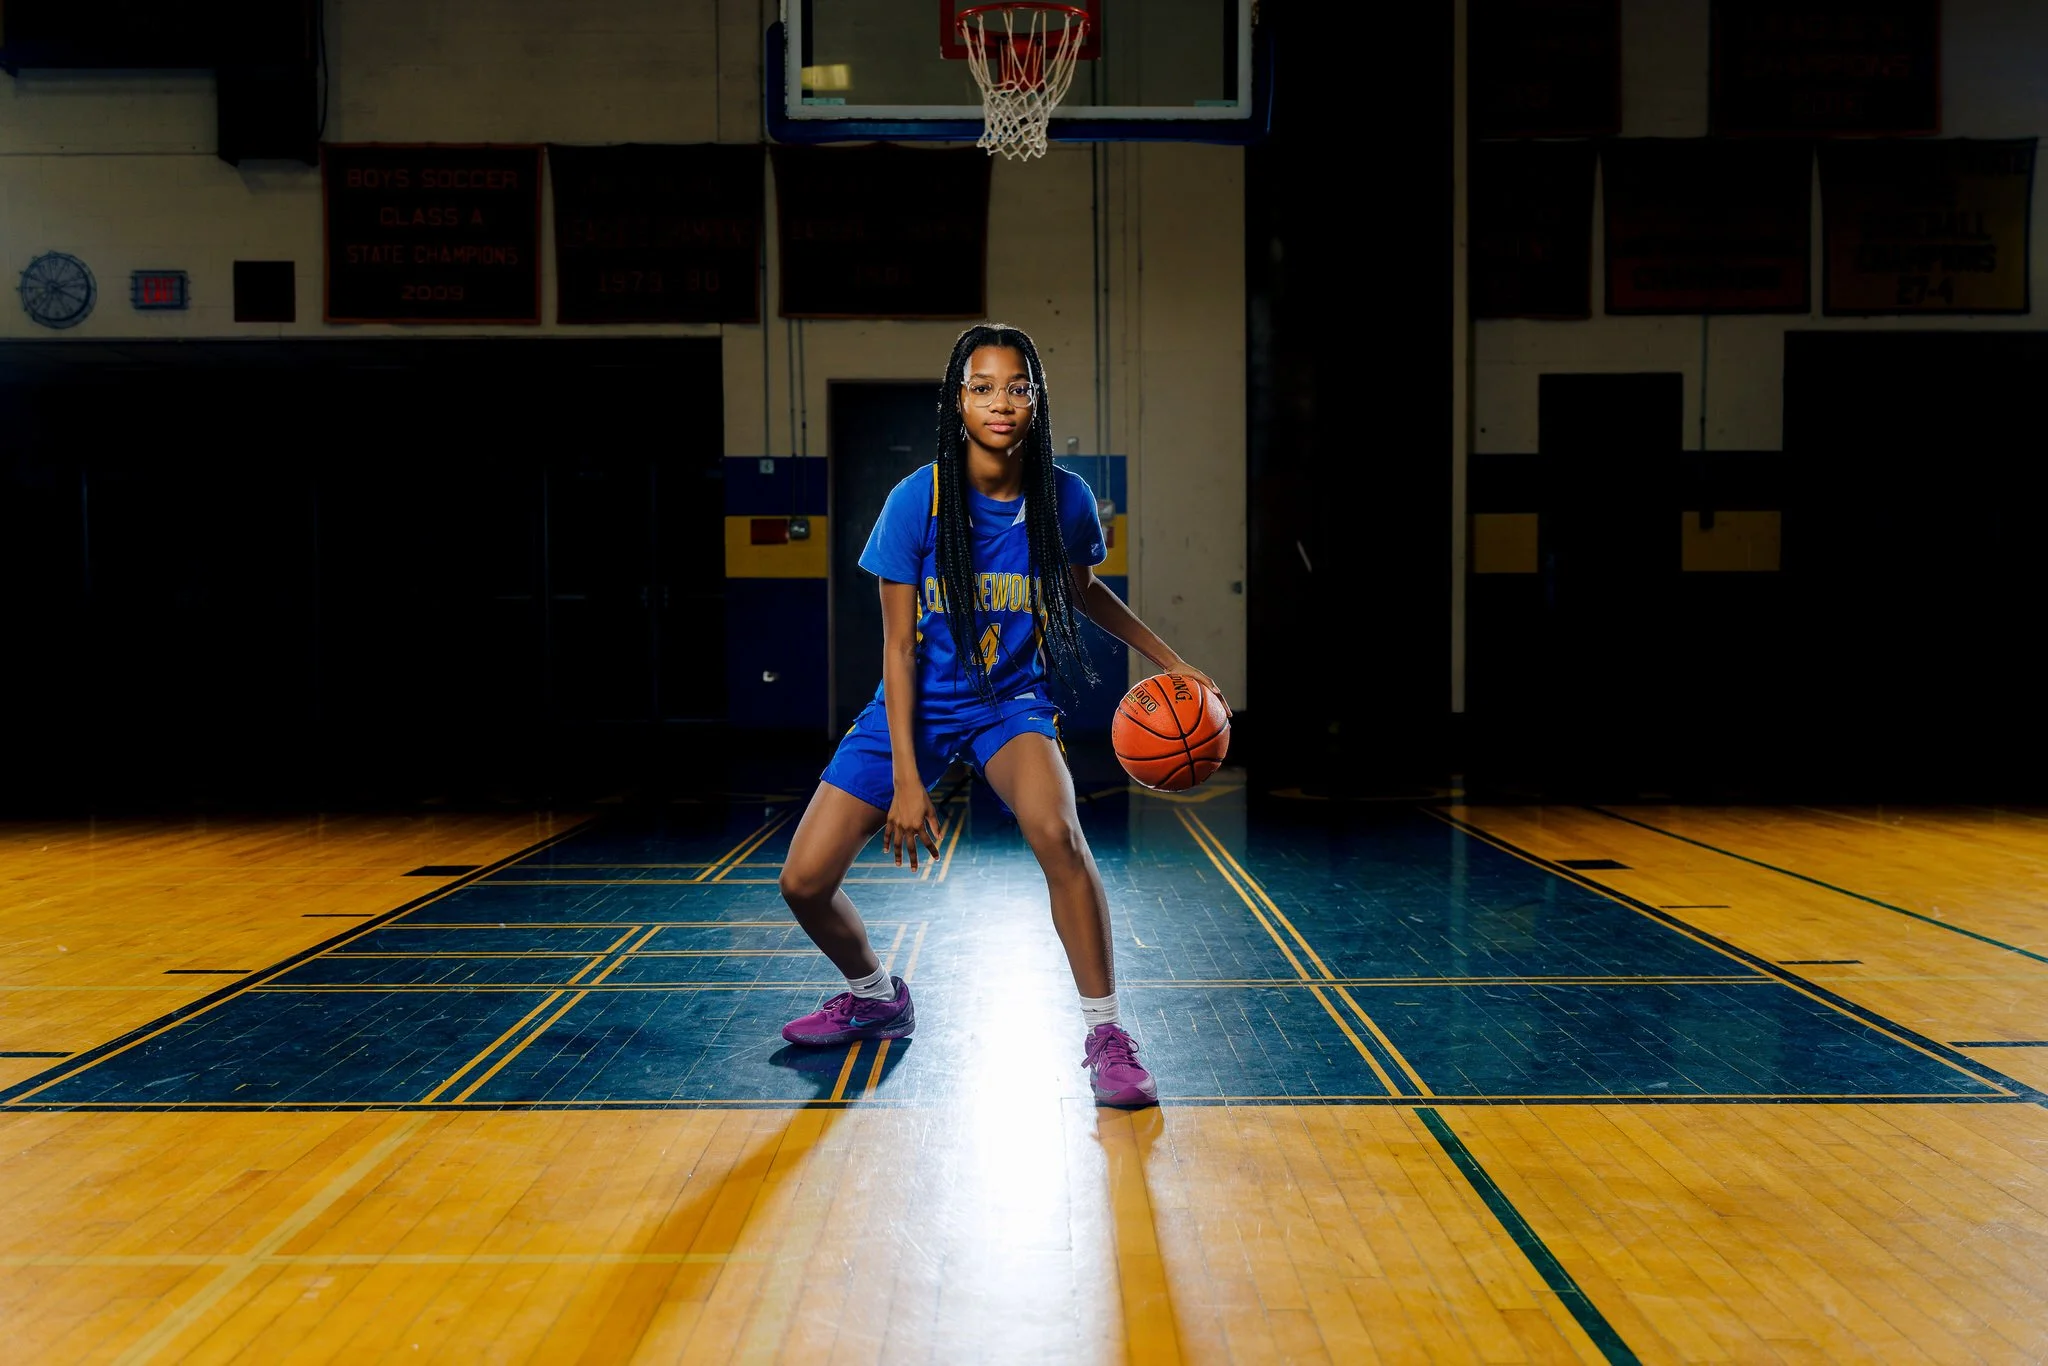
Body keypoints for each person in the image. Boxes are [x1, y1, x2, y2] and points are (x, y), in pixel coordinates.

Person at [776, 322, 1228, 1107]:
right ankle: (877, 997)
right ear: (958, 402)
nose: (1001, 402)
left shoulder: (1066, 497)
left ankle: (1108, 1033)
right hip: (913, 706)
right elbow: (897, 650)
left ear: (1036, 399)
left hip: (1009, 703)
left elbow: (1084, 589)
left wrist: (1172, 661)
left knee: (1059, 833)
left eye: (1017, 387)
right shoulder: (917, 500)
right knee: (803, 882)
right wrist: (910, 782)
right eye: (983, 387)